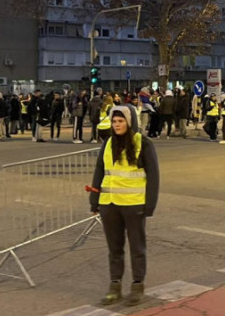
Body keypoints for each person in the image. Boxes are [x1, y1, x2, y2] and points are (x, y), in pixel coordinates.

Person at [88, 106, 159, 307]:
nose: (117, 125)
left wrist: (150, 204)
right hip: (109, 205)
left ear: (129, 122)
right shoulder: (108, 143)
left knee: (137, 247)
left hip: (133, 204)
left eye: (120, 121)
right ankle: (115, 286)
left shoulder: (143, 143)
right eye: (114, 121)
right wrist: (94, 201)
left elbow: (154, 175)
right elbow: (99, 172)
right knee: (114, 248)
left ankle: (137, 286)